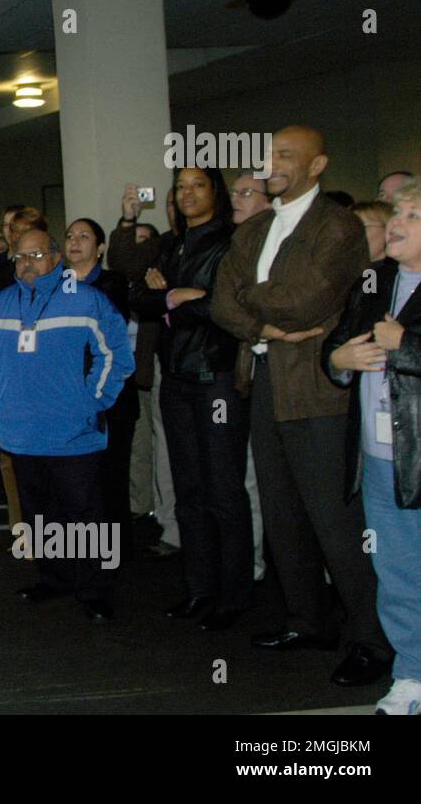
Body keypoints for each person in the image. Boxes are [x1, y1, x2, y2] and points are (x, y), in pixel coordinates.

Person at [213, 125, 392, 687]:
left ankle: (372, 639)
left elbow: (308, 300)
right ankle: (307, 620)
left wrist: (253, 299)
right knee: (283, 512)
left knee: (335, 521)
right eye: (270, 156)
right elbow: (222, 302)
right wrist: (260, 319)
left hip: (316, 389)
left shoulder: (337, 227)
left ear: (318, 166)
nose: (274, 164)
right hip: (264, 379)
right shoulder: (258, 226)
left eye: (287, 156)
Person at [0, 229, 134, 621]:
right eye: (20, 257)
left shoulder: (87, 300)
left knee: (85, 515)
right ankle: (54, 577)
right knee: (39, 512)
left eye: (37, 255)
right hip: (22, 435)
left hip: (73, 434)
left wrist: (92, 401)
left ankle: (94, 589)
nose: (27, 264)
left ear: (56, 258)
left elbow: (117, 355)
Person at [130, 167, 252, 630]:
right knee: (189, 492)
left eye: (197, 186)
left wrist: (178, 298)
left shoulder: (233, 241)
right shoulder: (170, 243)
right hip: (176, 376)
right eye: (180, 187)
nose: (187, 194)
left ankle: (234, 595)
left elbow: (229, 308)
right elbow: (139, 297)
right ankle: (200, 589)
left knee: (224, 490)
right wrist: (175, 298)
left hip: (215, 375)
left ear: (214, 193)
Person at [324, 178, 421, 714]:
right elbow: (336, 344)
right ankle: (411, 676)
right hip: (381, 460)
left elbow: (402, 348)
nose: (398, 223)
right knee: (398, 573)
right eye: (398, 213)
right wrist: (338, 362)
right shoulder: (374, 280)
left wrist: (404, 345)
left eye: (413, 215)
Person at [109, 187, 178, 558]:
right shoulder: (163, 246)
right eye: (172, 198)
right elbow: (123, 262)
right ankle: (170, 525)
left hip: (204, 366)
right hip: (158, 366)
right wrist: (128, 218)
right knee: (160, 449)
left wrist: (167, 296)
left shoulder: (220, 242)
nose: (178, 203)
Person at [64, 218, 140, 547]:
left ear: (101, 247)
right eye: (69, 236)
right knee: (74, 479)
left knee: (110, 477)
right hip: (67, 398)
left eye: (84, 236)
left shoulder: (113, 283)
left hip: (110, 398)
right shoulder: (54, 286)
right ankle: (81, 549)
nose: (75, 242)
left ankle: (115, 551)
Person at [230, 172, 273, 582]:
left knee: (265, 480)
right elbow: (226, 307)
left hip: (281, 375)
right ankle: (252, 563)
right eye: (235, 192)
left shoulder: (278, 244)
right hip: (241, 373)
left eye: (246, 192)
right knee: (245, 476)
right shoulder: (236, 244)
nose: (237, 199)